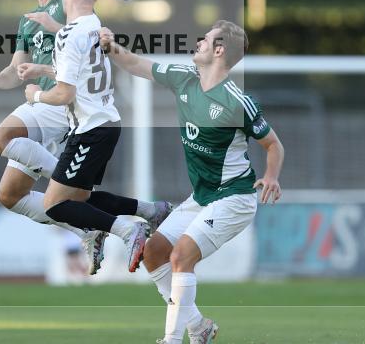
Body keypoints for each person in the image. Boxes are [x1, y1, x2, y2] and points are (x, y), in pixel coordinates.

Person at [100, 20, 285, 344]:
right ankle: (198, 325)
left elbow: (273, 144)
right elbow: (135, 63)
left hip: (234, 197)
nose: (197, 41)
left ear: (219, 50)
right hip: (202, 196)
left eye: (207, 38)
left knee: (181, 256)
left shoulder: (236, 101)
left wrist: (271, 177)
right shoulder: (183, 78)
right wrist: (111, 46)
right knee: (155, 251)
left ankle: (173, 340)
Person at [22, 0, 172, 273]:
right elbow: (76, 72)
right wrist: (43, 69)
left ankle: (127, 229)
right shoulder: (94, 25)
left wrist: (35, 95)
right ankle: (148, 210)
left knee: (55, 205)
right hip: (105, 125)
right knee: (81, 199)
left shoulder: (69, 35)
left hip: (89, 130)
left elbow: (65, 94)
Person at [0, 0, 105, 273]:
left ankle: (72, 182)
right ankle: (86, 227)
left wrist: (54, 26)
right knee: (9, 196)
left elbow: (91, 40)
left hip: (63, 103)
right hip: (41, 105)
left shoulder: (71, 5)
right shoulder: (28, 20)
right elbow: (17, 69)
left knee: (0, 139)